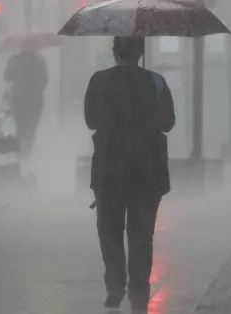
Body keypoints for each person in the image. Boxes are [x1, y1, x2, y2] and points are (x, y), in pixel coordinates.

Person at [84, 37, 175, 313]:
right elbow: (168, 123)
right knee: (141, 235)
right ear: (140, 53)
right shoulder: (157, 82)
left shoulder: (99, 81)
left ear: (115, 52)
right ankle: (139, 294)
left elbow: (91, 121)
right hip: (147, 171)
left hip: (109, 171)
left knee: (109, 232)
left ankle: (115, 286)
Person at [4, 42, 48, 163]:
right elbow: (44, 82)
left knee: (21, 128)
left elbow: (7, 77)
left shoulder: (14, 60)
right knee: (30, 130)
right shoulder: (40, 61)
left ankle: (21, 155)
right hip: (35, 102)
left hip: (19, 100)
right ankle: (27, 154)